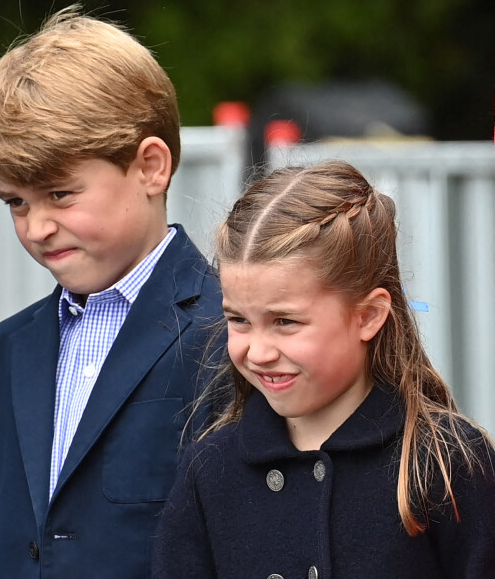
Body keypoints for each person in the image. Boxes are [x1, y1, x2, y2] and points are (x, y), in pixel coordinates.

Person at [0, 8, 222, 578]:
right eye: (16, 202)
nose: (36, 227)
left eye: (60, 193)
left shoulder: (233, 339)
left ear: (151, 166)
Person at [152, 160, 495, 578]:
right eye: (238, 320)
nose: (257, 352)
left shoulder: (446, 461)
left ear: (368, 316)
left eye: (285, 321)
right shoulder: (208, 470)